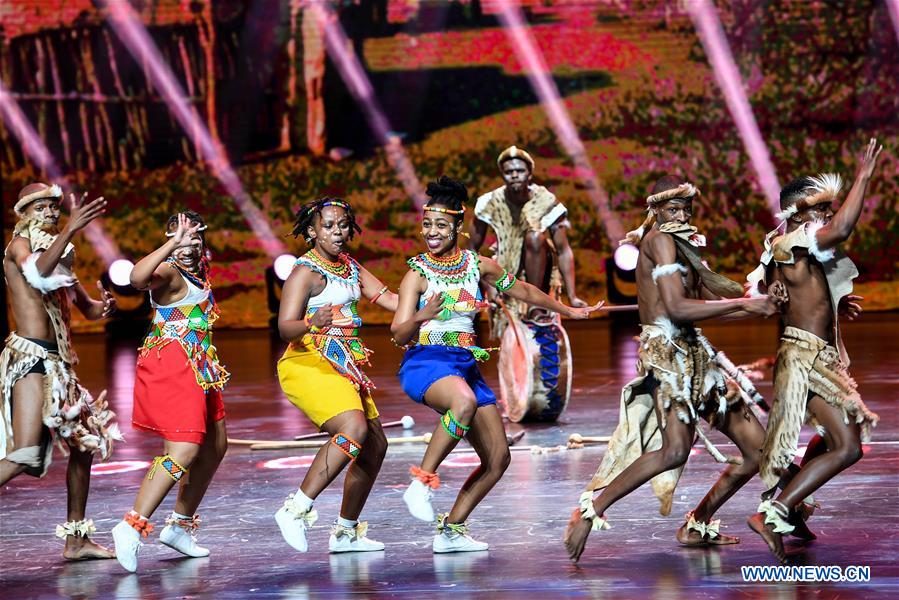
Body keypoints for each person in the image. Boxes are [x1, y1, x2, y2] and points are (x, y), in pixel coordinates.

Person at [563, 175, 783, 563]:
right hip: (667, 357)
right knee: (675, 451)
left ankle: (697, 523)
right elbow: (678, 309)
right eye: (672, 209)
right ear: (656, 211)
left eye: (685, 208)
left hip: (695, 353)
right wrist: (747, 305)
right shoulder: (659, 241)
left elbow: (712, 305)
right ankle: (590, 510)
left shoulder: (685, 246)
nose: (681, 215)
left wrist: (761, 299)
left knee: (757, 451)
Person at [392, 176, 600, 553]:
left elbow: (523, 289)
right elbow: (399, 333)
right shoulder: (416, 275)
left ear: (459, 226)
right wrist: (422, 314)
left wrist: (567, 309)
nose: (432, 232)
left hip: (464, 366)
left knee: (498, 458)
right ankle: (420, 484)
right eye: (427, 224)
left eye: (441, 225)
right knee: (463, 403)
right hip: (427, 362)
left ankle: (451, 531)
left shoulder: (479, 266)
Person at [745, 139, 882, 563]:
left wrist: (837, 303)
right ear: (795, 214)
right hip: (806, 360)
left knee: (830, 439)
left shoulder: (792, 247)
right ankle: (776, 512)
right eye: (819, 209)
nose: (826, 215)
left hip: (815, 356)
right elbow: (840, 230)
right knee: (848, 446)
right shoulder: (791, 243)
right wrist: (863, 176)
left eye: (828, 208)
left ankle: (792, 507)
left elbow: (798, 293)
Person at [1, 182, 120, 560]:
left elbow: (87, 308)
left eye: (53, 207)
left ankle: (76, 539)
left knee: (85, 444)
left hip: (60, 365)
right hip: (31, 360)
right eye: (40, 208)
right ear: (23, 214)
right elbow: (36, 273)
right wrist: (71, 228)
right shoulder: (19, 246)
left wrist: (104, 306)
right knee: (25, 454)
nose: (50, 213)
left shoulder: (58, 254)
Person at [274, 198, 397, 554]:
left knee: (375, 446)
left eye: (343, 225)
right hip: (308, 360)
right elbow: (285, 327)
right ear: (312, 232)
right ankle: (295, 509)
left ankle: (345, 533)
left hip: (344, 363)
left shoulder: (350, 266)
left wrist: (432, 298)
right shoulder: (304, 272)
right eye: (328, 226)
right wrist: (311, 322)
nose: (337, 232)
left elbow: (390, 299)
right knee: (353, 429)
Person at [111, 211, 229, 572]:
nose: (189, 244)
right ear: (169, 239)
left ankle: (179, 526)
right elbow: (136, 279)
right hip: (172, 364)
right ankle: (131, 525)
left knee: (215, 446)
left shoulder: (197, 270)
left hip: (201, 364)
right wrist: (171, 245)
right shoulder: (168, 271)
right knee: (183, 450)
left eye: (195, 237)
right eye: (181, 237)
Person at [470, 146, 587, 336]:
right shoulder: (490, 202)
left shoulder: (545, 200)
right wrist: (488, 285)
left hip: (539, 267)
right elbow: (472, 251)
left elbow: (563, 250)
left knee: (535, 236)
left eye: (520, 170)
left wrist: (572, 296)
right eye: (509, 172)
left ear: (530, 173)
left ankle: (536, 306)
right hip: (504, 270)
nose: (515, 175)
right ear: (502, 174)